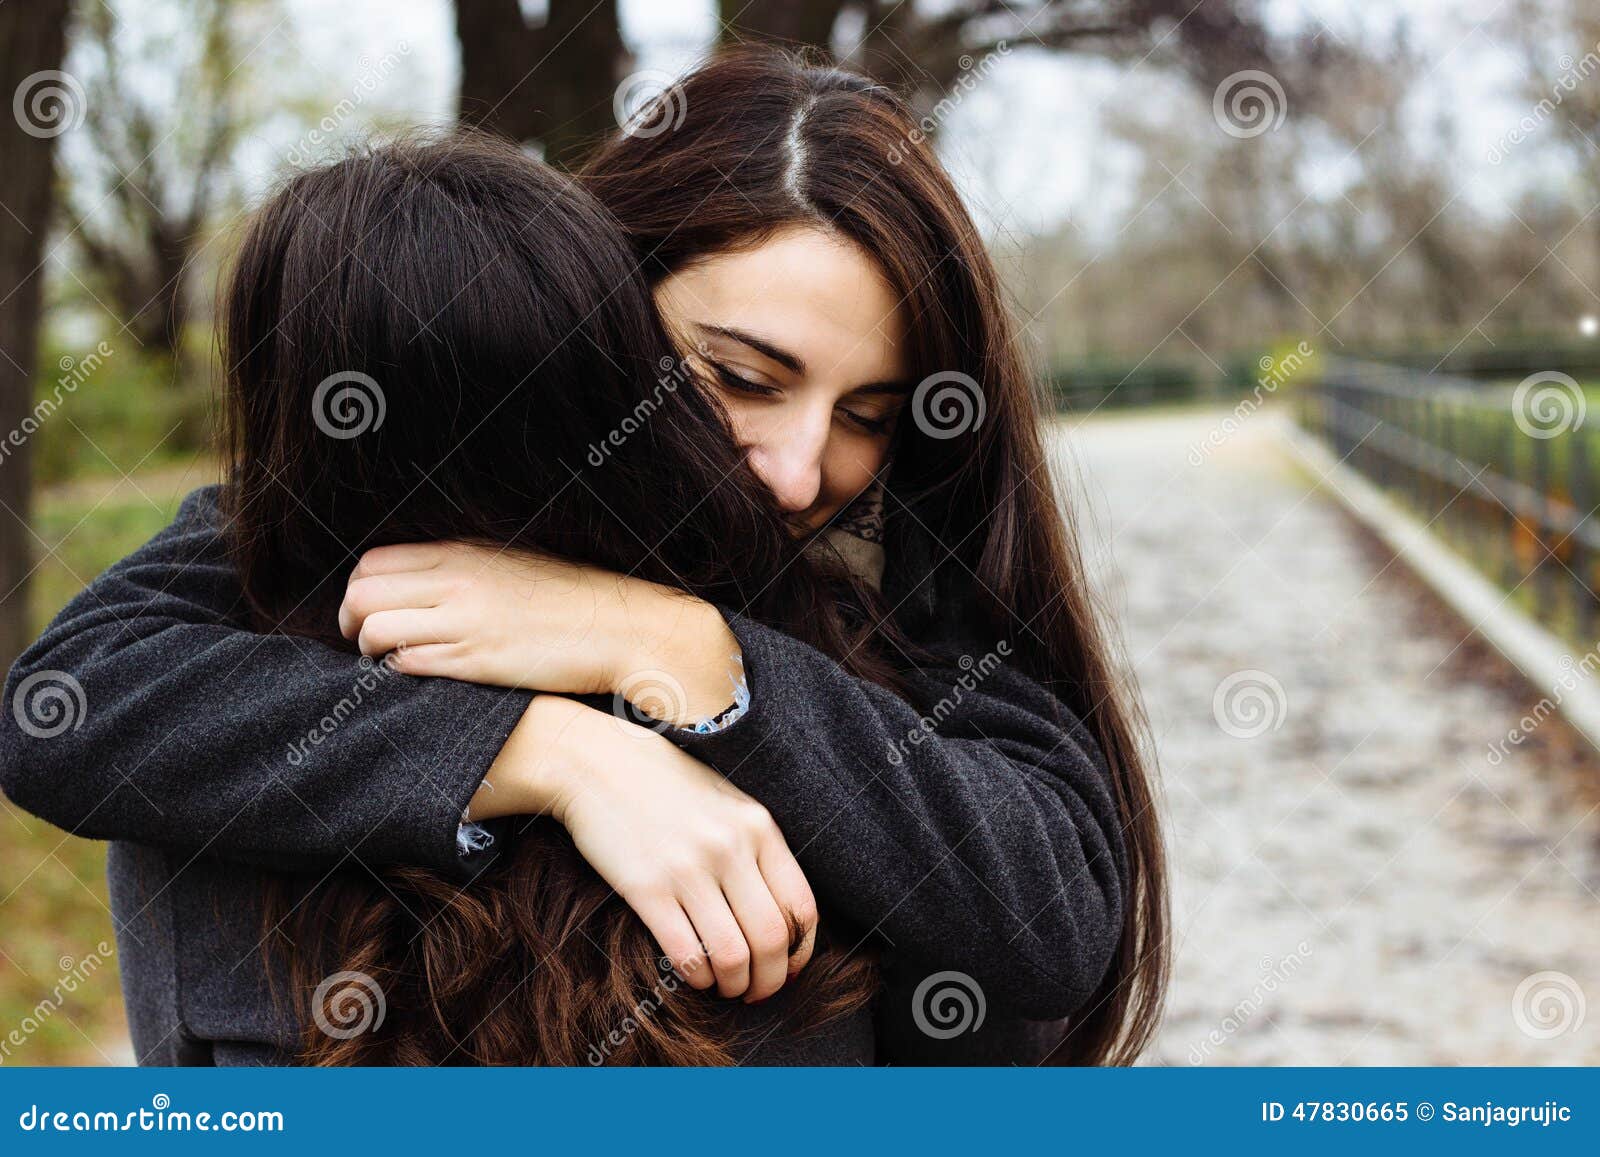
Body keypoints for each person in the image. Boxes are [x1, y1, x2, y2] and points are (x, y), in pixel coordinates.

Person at [1, 49, 1167, 1064]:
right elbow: (75, 701)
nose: (800, 471)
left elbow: (1055, 908)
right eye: (743, 377)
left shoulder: (896, 616)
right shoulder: (336, 521)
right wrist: (548, 750)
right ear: (595, 302)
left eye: (870, 414)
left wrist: (683, 651)